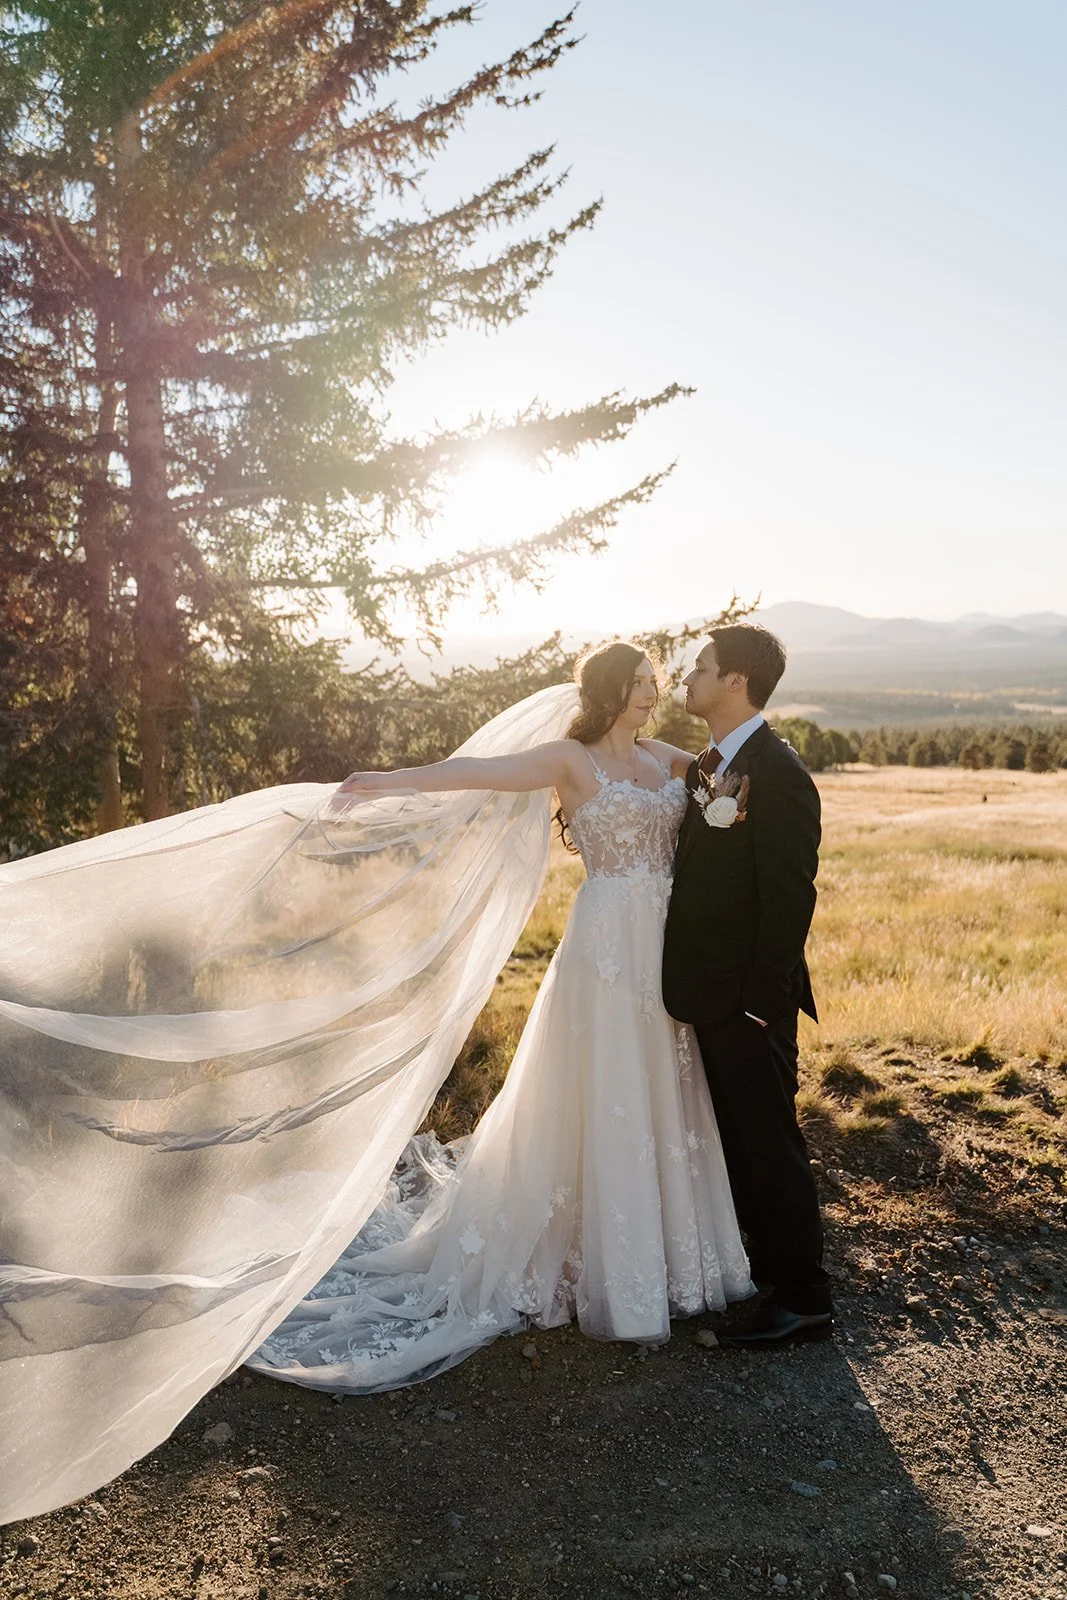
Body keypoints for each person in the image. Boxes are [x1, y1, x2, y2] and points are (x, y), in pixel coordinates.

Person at [249, 640, 754, 1391]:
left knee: (664, 1086)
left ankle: (674, 1259)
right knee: (603, 1086)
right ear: (613, 689)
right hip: (606, 945)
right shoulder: (567, 761)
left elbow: (732, 790)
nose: (654, 693)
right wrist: (388, 780)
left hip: (666, 948)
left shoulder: (670, 762)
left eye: (656, 682)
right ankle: (600, 1268)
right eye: (643, 683)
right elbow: (475, 775)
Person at [662, 624, 832, 1347]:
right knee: (739, 1140)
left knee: (769, 1143)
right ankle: (768, 1274)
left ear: (734, 681)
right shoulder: (712, 767)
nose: (686, 680)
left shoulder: (778, 772)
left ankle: (803, 1301)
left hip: (746, 1002)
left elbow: (790, 897)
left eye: (699, 668)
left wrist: (763, 1005)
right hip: (709, 991)